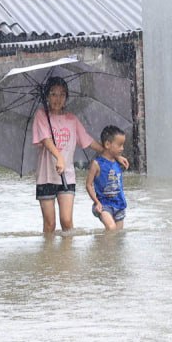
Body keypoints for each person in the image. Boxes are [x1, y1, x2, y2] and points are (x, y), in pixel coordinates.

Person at [31, 76, 122, 233]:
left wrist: (114, 155)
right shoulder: (41, 116)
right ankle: (49, 256)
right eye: (53, 94)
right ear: (46, 96)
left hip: (67, 176)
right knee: (50, 224)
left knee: (66, 221)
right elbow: (46, 140)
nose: (57, 99)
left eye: (62, 95)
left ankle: (67, 257)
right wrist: (59, 157)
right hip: (46, 177)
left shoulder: (71, 119)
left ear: (66, 98)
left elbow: (88, 141)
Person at [86, 125, 129, 230]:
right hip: (104, 205)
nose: (122, 148)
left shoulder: (118, 162)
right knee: (111, 227)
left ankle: (103, 245)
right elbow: (88, 184)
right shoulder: (96, 164)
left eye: (123, 145)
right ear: (107, 144)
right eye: (119, 145)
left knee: (118, 235)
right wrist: (96, 202)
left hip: (119, 204)